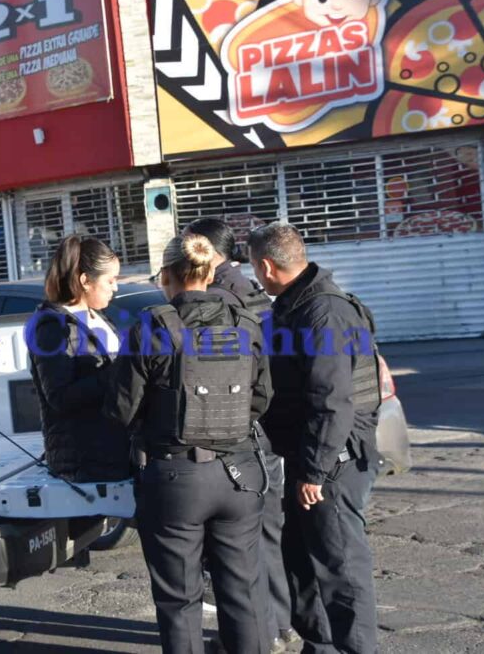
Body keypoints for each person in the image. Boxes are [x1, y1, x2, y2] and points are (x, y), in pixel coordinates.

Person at [105, 234, 272, 654]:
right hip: (240, 472)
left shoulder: (152, 326)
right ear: (211, 272)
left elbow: (123, 408)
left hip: (175, 477)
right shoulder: (245, 323)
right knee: (243, 594)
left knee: (179, 601)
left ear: (166, 275)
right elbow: (262, 396)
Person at [248, 224, 381, 654]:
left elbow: (332, 400)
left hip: (332, 462)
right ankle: (320, 646)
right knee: (303, 563)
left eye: (254, 268)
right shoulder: (297, 305)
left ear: (266, 266)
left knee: (341, 570)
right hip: (309, 456)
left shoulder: (324, 311)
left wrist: (314, 471)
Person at [184, 219, 297, 651]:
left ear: (209, 253)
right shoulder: (251, 290)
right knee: (267, 534)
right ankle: (279, 625)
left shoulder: (219, 297)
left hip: (240, 433)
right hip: (266, 429)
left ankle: (262, 632)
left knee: (241, 547)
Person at [26, 234, 130, 482]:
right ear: (85, 281)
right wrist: (116, 373)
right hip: (83, 461)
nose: (115, 287)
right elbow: (59, 397)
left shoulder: (99, 317)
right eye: (110, 280)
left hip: (117, 451)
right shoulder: (52, 326)